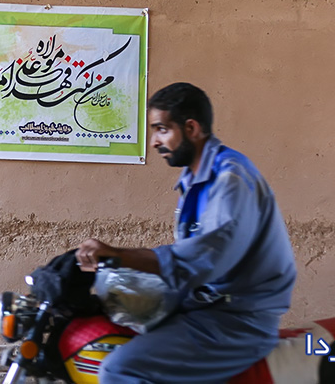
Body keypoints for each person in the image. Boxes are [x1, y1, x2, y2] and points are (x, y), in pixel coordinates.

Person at [76, 82, 297, 384]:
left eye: (162, 130)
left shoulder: (229, 179)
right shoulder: (195, 178)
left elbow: (204, 259)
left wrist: (119, 255)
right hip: (205, 307)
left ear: (191, 128)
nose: (154, 142)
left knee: (119, 369)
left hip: (238, 320)